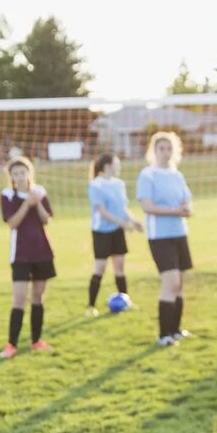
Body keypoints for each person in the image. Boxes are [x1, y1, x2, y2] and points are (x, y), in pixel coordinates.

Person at [135, 131, 194, 345]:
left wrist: (187, 209)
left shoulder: (177, 175)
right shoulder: (147, 175)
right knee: (170, 283)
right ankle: (164, 335)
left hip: (180, 234)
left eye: (169, 148)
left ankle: (176, 330)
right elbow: (147, 206)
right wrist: (175, 211)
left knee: (180, 285)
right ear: (154, 151)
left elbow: (188, 201)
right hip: (160, 237)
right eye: (161, 148)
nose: (166, 153)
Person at [0, 154, 55, 358]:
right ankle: (12, 344)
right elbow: (12, 223)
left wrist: (36, 201)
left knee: (38, 297)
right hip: (20, 255)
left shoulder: (39, 192)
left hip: (42, 252)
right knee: (19, 298)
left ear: (29, 173)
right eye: (16, 174)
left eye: (23, 172)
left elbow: (45, 219)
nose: (20, 176)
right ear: (11, 177)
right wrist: (26, 203)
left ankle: (36, 340)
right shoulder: (8, 195)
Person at [85, 152, 143, 315]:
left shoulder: (119, 184)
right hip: (101, 232)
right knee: (100, 268)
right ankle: (91, 306)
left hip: (118, 230)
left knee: (119, 267)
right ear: (108, 166)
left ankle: (126, 301)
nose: (119, 166)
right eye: (117, 163)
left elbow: (122, 208)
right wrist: (123, 224)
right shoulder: (95, 185)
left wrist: (133, 221)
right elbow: (102, 211)